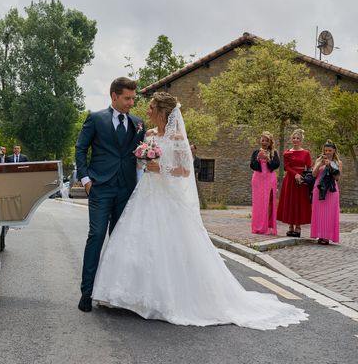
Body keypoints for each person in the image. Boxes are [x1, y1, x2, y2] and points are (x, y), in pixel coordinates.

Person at [91, 92, 307, 329]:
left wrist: (159, 167)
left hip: (166, 196)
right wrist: (143, 161)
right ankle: (125, 295)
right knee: (135, 241)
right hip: (146, 193)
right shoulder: (150, 134)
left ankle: (166, 298)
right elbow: (139, 162)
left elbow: (184, 171)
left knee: (169, 245)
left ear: (163, 111)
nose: (148, 110)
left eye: (152, 107)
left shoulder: (176, 137)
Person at [75, 77, 145, 312]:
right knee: (96, 236)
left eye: (133, 98)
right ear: (114, 96)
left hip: (126, 189)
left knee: (120, 241)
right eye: (128, 98)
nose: (131, 103)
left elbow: (140, 155)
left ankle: (115, 294)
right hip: (100, 187)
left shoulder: (138, 123)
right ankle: (87, 292)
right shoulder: (96, 119)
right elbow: (80, 148)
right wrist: (86, 180)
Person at [277, 129, 312, 237]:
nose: (295, 140)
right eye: (294, 138)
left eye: (298, 138)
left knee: (300, 202)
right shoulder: (287, 153)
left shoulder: (306, 153)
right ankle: (290, 226)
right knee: (290, 202)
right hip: (290, 180)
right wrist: (295, 174)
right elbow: (286, 167)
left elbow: (309, 166)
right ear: (291, 139)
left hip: (301, 180)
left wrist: (304, 178)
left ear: (301, 140)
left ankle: (298, 227)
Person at [310, 140, 342, 245]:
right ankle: (319, 234)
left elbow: (337, 178)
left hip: (331, 191)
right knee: (319, 213)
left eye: (330, 150)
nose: (327, 152)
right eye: (326, 150)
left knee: (329, 214)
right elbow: (314, 174)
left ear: (334, 151)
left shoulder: (338, 163)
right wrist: (319, 164)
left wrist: (331, 166)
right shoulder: (319, 160)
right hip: (319, 189)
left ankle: (327, 236)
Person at [250, 131, 281, 235]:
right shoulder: (255, 152)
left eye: (266, 140)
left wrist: (268, 159)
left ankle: (267, 226)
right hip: (258, 179)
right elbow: (253, 166)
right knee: (258, 202)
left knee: (269, 202)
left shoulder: (274, 153)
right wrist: (258, 158)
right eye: (262, 140)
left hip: (269, 179)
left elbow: (276, 165)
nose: (264, 142)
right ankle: (258, 226)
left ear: (270, 142)